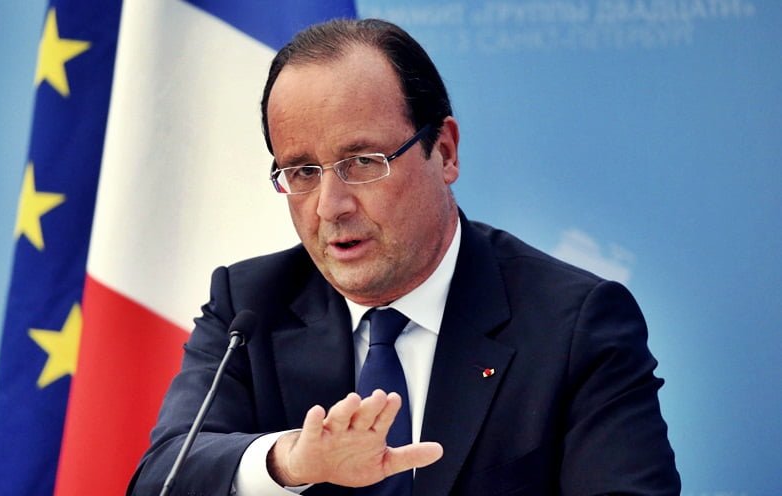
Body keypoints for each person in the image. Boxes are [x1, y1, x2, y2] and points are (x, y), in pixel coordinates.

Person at [128, 18, 680, 496]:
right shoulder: (248, 307)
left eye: (363, 161)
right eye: (301, 172)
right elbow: (163, 477)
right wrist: (289, 462)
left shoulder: (575, 326)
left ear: (443, 152)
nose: (329, 207)